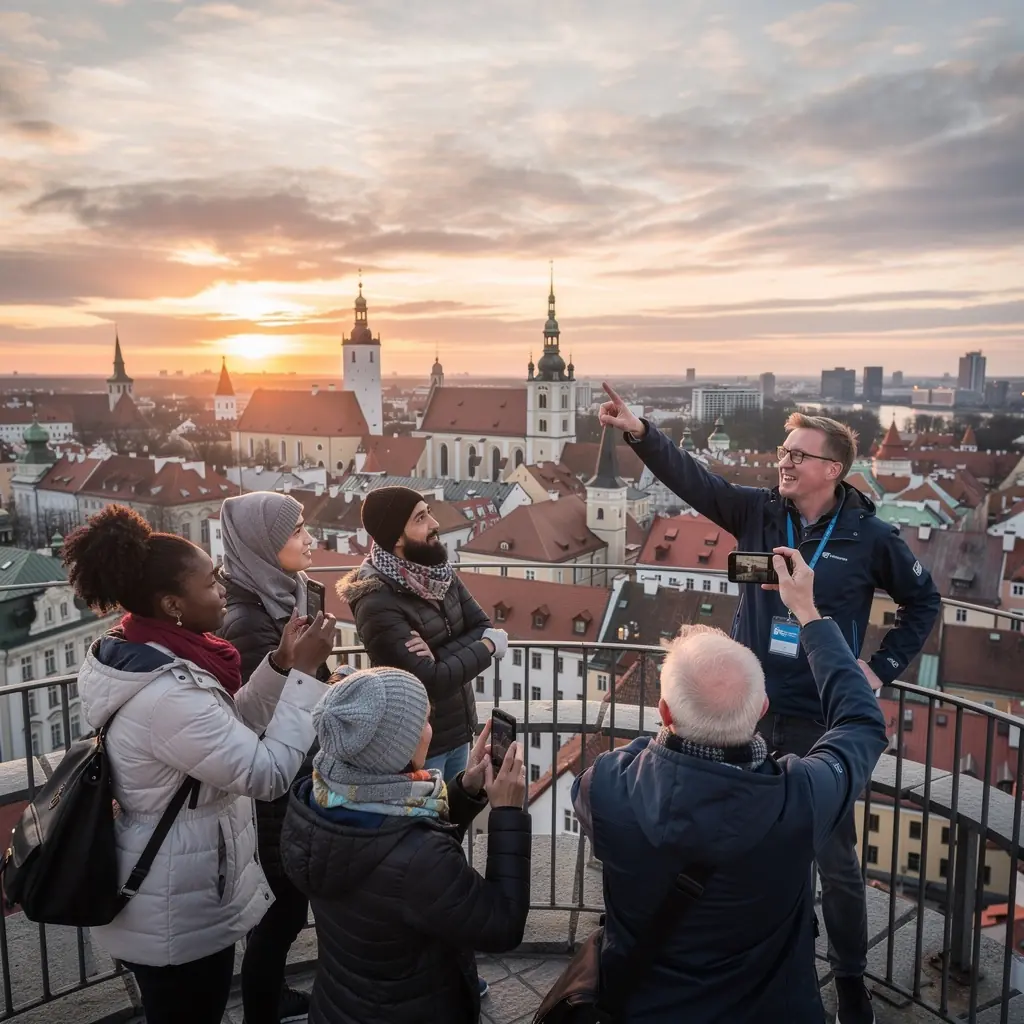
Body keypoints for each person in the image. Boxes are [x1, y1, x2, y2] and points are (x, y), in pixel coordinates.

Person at [599, 386, 940, 1024]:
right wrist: (640, 430)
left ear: (831, 470)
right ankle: (745, 959)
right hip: (747, 711)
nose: (783, 462)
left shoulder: (871, 536)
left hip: (816, 713)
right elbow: (694, 478)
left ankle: (849, 979)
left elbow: (926, 604)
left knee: (836, 862)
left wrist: (881, 668)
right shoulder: (760, 511)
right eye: (782, 451)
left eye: (797, 455)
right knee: (735, 841)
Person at [570, 548, 889, 1023]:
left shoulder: (607, 789)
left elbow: (635, 753)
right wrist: (808, 613)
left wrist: (668, 731)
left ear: (663, 714)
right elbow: (863, 721)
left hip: (644, 1007)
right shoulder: (799, 800)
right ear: (761, 712)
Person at [65, 504, 336, 1024]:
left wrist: (280, 666)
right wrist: (304, 677)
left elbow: (228, 726)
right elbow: (266, 774)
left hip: (181, 880)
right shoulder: (167, 693)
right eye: (211, 583)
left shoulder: (160, 656)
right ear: (173, 604)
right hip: (171, 900)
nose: (224, 591)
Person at [280, 667, 532, 1024]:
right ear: (397, 745)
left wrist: (466, 789)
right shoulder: (419, 857)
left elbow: (399, 862)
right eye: (425, 721)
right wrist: (507, 812)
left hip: (340, 1003)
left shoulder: (316, 797)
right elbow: (502, 924)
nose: (432, 728)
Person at [218, 491, 327, 1024]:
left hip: (294, 770)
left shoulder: (288, 592)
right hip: (270, 787)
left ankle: (269, 997)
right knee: (281, 908)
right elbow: (258, 715)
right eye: (297, 530)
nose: (310, 538)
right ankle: (263, 1007)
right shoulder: (246, 619)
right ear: (263, 545)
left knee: (285, 906)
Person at [337, 485, 508, 783]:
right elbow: (431, 682)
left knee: (456, 817)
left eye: (428, 512)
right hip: (419, 743)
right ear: (396, 536)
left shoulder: (438, 571)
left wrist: (439, 655)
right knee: (429, 824)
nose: (435, 524)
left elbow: (483, 626)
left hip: (458, 730)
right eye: (420, 518)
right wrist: (487, 648)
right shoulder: (376, 601)